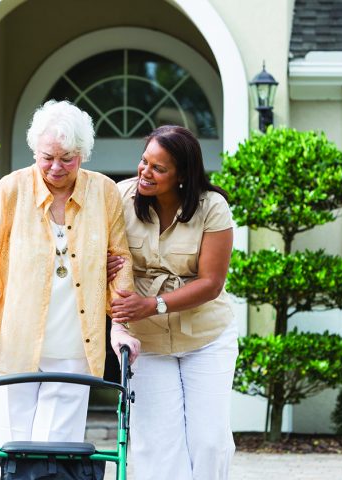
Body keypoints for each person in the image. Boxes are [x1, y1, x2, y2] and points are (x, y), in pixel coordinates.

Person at [0, 100, 140, 479]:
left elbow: (119, 263)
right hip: (14, 346)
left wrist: (120, 326)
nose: (56, 168)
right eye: (47, 158)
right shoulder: (10, 191)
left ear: (83, 154)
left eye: (68, 158)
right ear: (34, 151)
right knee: (10, 454)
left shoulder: (104, 193)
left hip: (76, 350)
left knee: (55, 458)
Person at [107, 125, 239, 480]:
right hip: (146, 342)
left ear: (182, 174)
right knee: (157, 445)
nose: (145, 172)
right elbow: (96, 250)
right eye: (144, 161)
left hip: (206, 338)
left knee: (209, 442)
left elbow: (211, 283)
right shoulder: (120, 198)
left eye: (158, 168)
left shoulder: (212, 207)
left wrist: (153, 305)